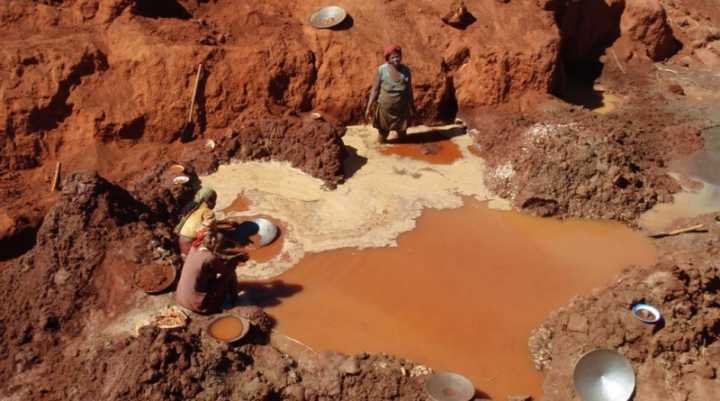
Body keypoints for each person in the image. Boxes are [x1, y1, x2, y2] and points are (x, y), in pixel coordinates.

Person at [175, 230, 239, 314]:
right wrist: (235, 261)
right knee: (230, 272)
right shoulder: (209, 257)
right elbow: (225, 271)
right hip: (197, 305)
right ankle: (234, 300)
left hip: (181, 299)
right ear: (215, 245)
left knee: (208, 273)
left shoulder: (194, 248)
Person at [365, 44, 417, 144]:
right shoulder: (382, 70)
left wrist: (412, 106)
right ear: (388, 59)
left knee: (402, 135)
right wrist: (368, 107)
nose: (396, 59)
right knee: (382, 136)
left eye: (398, 56)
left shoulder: (406, 71)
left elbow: (409, 90)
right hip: (385, 111)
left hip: (401, 110)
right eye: (393, 57)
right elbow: (375, 89)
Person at [175, 188, 217, 258]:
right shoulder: (207, 211)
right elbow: (210, 228)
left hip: (181, 241)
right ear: (208, 201)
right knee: (216, 238)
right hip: (190, 242)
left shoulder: (194, 208)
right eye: (214, 201)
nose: (215, 204)